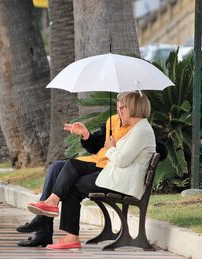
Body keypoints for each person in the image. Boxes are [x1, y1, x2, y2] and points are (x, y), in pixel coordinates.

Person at [27, 92, 156, 249]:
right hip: (117, 176)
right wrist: (105, 144)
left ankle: (70, 235)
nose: (119, 110)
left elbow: (121, 160)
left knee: (72, 185)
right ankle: (55, 206)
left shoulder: (141, 130)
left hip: (122, 181)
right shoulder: (137, 127)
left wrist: (110, 148)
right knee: (72, 167)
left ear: (133, 108)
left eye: (122, 107)